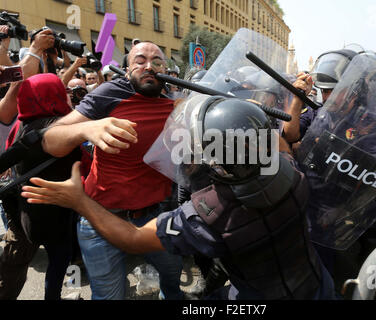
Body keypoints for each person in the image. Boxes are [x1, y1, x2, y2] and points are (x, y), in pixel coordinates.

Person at [21, 97, 336, 300]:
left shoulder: (209, 216)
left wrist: (80, 201)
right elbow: (276, 140)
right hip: (318, 285)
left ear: (212, 157)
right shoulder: (292, 173)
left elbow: (131, 238)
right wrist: (241, 113)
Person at [35, 41, 184, 300]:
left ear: (166, 72)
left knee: (173, 280)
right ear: (127, 70)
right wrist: (86, 129)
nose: (149, 66)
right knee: (108, 296)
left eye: (157, 62)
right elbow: (50, 140)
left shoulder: (176, 104)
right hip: (99, 217)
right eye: (140, 61)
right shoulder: (109, 94)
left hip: (156, 217)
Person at [0, 73, 79, 300]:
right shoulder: (59, 128)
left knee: (16, 265)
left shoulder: (22, 125)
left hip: (27, 212)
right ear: (52, 94)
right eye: (61, 90)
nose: (66, 94)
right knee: (59, 261)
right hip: (57, 212)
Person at [283, 49, 358, 144]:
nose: (328, 98)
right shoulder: (316, 113)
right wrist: (297, 97)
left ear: (352, 91)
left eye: (335, 91)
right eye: (325, 91)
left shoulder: (366, 123)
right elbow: (290, 136)